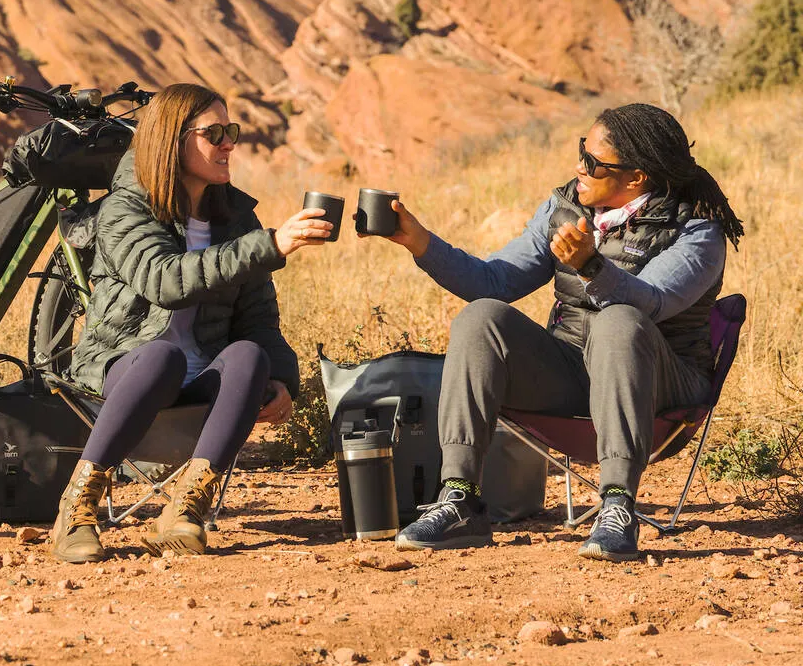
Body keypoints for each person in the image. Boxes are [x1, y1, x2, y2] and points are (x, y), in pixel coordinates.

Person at [367, 103, 742, 562]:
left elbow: (653, 301)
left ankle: (618, 505)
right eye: (581, 150)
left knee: (619, 321)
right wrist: (419, 241)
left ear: (637, 177)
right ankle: (460, 497)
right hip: (573, 373)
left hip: (660, 384)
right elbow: (495, 281)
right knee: (481, 317)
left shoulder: (696, 230)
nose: (578, 167)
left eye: (593, 162)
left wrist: (591, 265)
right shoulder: (565, 208)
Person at [49, 83, 332, 563]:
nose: (228, 144)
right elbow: (164, 281)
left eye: (232, 131)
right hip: (128, 368)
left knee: (249, 355)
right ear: (171, 140)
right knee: (162, 355)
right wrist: (272, 244)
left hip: (201, 378)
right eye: (214, 133)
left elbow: (258, 317)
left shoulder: (236, 218)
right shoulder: (126, 208)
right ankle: (76, 507)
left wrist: (284, 379)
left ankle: (185, 509)